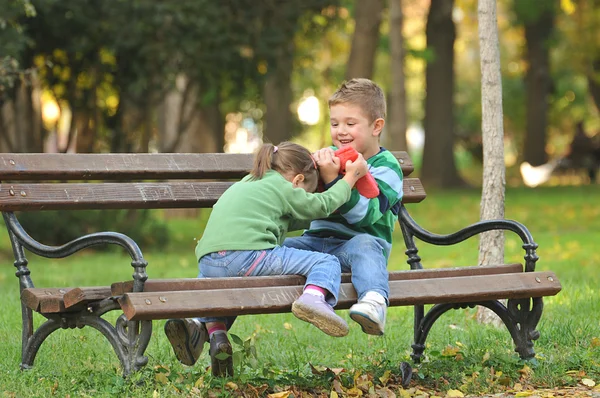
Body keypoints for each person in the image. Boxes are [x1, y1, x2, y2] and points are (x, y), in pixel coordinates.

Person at [164, 141, 369, 377]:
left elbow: (291, 220)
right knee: (325, 262)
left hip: (209, 262)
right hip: (247, 256)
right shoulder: (283, 186)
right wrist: (350, 178)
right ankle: (313, 299)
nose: (307, 197)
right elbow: (320, 206)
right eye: (308, 193)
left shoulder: (251, 182)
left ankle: (208, 332)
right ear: (298, 180)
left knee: (219, 290)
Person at [283, 78, 404, 336]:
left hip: (357, 245)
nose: (341, 131)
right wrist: (309, 178)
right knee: (267, 251)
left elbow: (365, 216)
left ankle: (374, 303)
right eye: (335, 123)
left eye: (351, 123)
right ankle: (209, 323)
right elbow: (302, 203)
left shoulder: (387, 166)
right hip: (315, 244)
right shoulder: (328, 156)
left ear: (376, 126)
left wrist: (336, 180)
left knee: (366, 246)